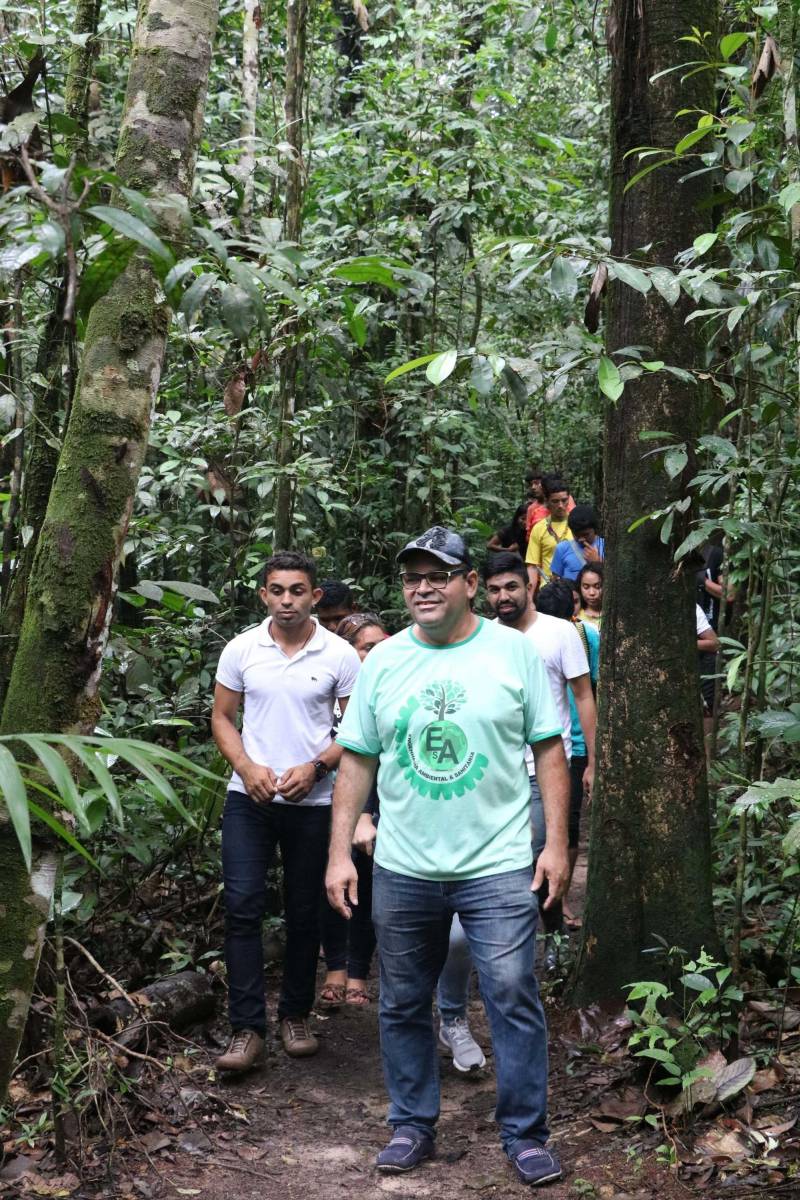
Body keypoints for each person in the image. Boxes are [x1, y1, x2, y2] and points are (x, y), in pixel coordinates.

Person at [326, 526, 570, 1186]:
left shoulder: (514, 655)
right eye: (413, 577)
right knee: (402, 1000)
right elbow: (358, 758)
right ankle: (412, 1124)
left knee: (513, 993)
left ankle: (524, 1134)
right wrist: (339, 853)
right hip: (404, 867)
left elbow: (550, 748)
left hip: (496, 863)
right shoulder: (383, 661)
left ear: (468, 583)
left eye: (439, 575)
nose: (424, 587)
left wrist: (555, 844)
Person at [211, 551, 361, 1071]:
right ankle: (246, 1029)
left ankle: (294, 1015)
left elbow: (355, 730)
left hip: (313, 802)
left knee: (304, 912)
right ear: (264, 595)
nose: (287, 600)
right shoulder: (241, 649)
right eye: (277, 590)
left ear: (314, 596)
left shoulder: (340, 654)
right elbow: (223, 718)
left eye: (297, 591)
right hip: (248, 800)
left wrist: (317, 768)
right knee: (243, 906)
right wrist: (247, 767)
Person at [486, 559, 595, 969]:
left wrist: (593, 762)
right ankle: (502, 942)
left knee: (537, 852)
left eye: (511, 587)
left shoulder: (560, 632)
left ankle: (552, 939)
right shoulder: (483, 636)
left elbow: (583, 695)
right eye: (495, 590)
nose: (503, 597)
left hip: (546, 767)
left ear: (529, 586)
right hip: (494, 768)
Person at [319, 613, 389, 1010]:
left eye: (382, 646)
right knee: (328, 883)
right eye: (368, 648)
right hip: (323, 801)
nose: (377, 654)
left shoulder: (387, 690)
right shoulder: (326, 690)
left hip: (372, 803)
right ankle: (335, 967)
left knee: (365, 884)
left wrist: (368, 812)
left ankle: (358, 971)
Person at [535, 579, 600, 931]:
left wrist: (592, 757)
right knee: (562, 827)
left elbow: (588, 690)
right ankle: (551, 902)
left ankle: (556, 901)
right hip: (561, 745)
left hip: (569, 744)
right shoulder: (525, 640)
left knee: (565, 826)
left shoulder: (585, 638)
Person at [525, 477, 574, 590]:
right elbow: (532, 566)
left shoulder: (578, 523)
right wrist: (529, 596)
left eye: (564, 500)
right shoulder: (539, 528)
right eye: (555, 501)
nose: (561, 505)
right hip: (549, 590)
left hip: (576, 590)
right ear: (547, 501)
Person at [550, 506, 605, 582]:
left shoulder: (606, 547)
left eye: (586, 534)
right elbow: (555, 580)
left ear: (595, 530)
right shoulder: (562, 549)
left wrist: (597, 562)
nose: (581, 539)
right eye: (576, 535)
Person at [577, 563, 603, 627]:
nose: (592, 593)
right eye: (586, 587)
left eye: (597, 586)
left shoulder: (617, 617)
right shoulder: (575, 616)